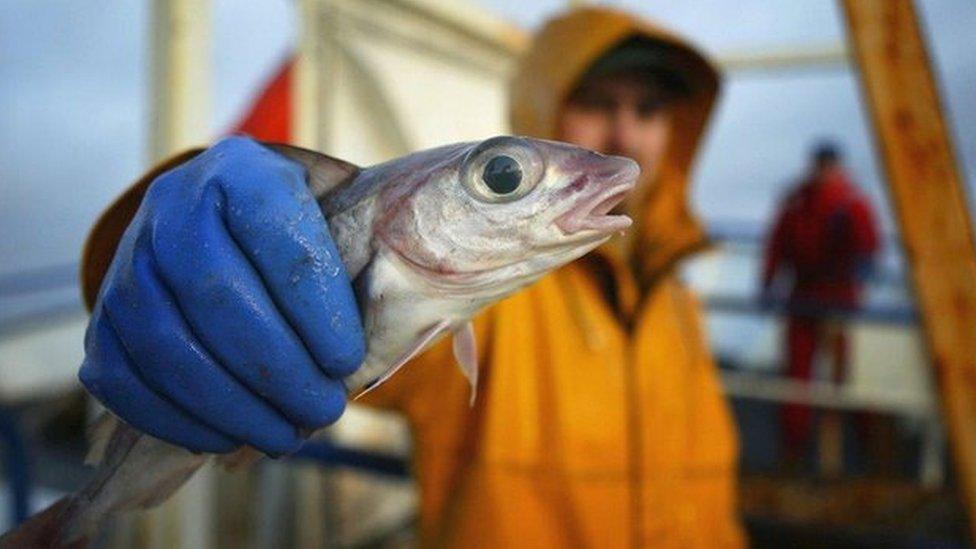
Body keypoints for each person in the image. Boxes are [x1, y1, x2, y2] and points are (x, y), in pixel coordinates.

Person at [80, 7, 743, 547]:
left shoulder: (678, 298)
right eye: (597, 102)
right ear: (545, 108)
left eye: (650, 110)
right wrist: (166, 254)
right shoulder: (493, 297)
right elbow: (272, 309)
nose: (625, 133)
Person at [761, 141, 880, 463]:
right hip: (804, 298)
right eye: (821, 166)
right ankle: (794, 452)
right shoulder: (799, 203)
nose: (825, 174)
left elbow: (868, 246)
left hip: (840, 301)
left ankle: (866, 452)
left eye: (829, 167)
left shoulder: (851, 203)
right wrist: (768, 283)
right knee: (798, 381)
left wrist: (862, 270)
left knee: (847, 381)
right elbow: (777, 244)